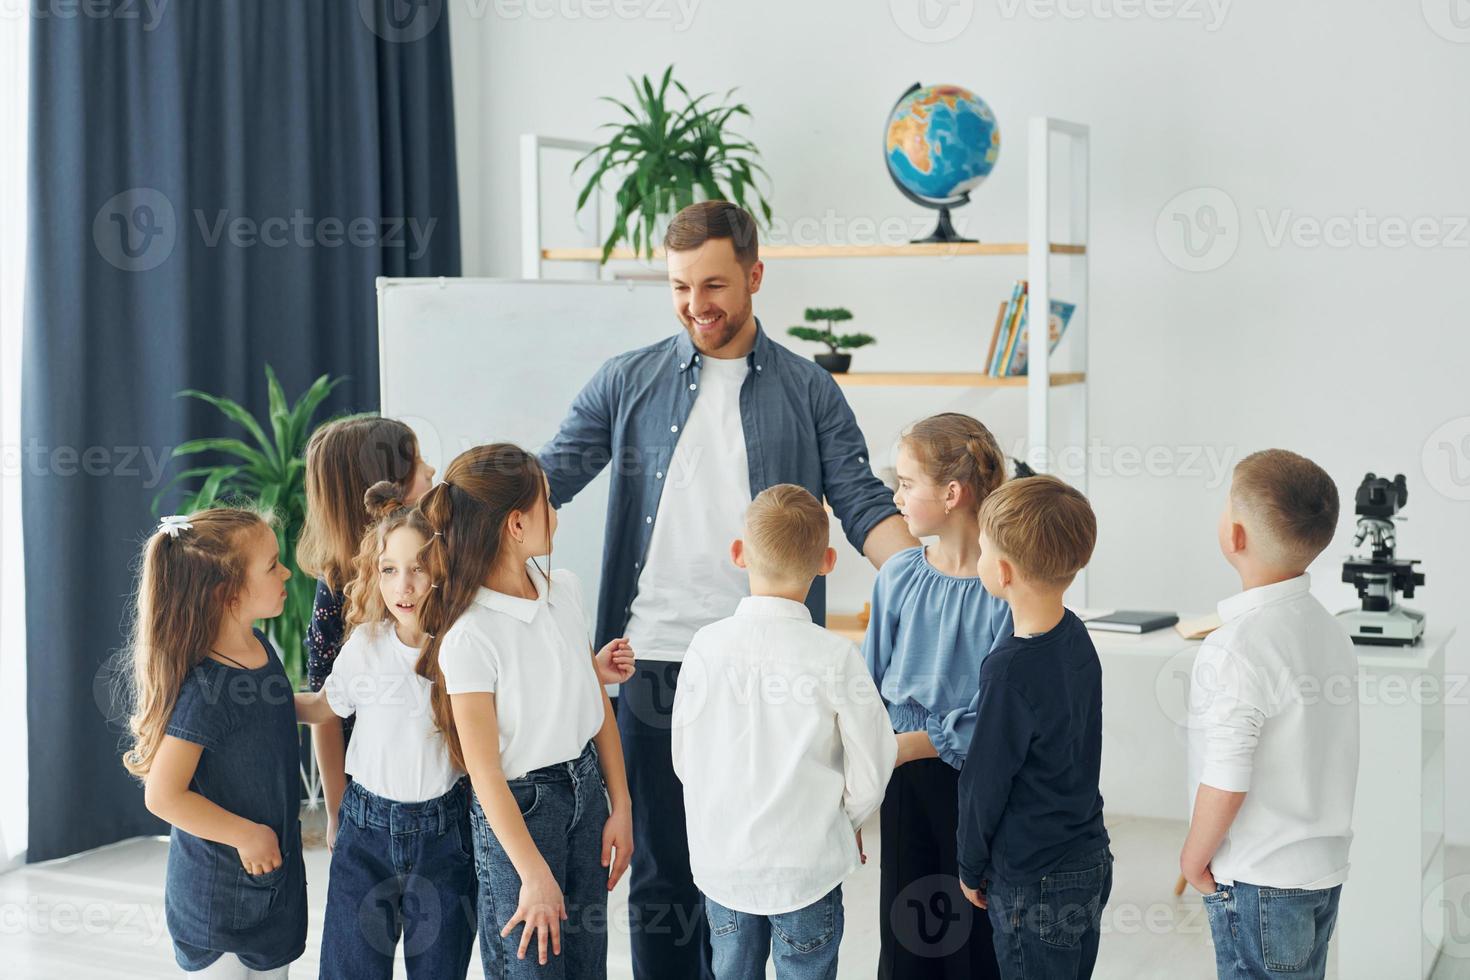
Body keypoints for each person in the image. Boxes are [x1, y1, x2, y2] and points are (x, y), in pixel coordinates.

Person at [539, 200, 915, 979]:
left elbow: (861, 500)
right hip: (651, 663)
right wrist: (442, 527)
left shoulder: (810, 390)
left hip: (770, 667)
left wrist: (926, 583)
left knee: (763, 875)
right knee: (665, 878)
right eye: (679, 287)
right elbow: (544, 480)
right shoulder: (627, 381)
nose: (695, 305)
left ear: (754, 275)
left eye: (712, 284)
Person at [414, 443, 636, 979]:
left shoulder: (566, 592)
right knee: (531, 968)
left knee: (587, 966)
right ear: (517, 524)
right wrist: (532, 872)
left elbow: (594, 705)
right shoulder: (469, 637)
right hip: (520, 816)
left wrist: (621, 804)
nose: (555, 514)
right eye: (548, 503)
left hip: (585, 792)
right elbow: (485, 773)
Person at [672, 484, 896, 980]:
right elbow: (874, 761)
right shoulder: (836, 657)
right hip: (808, 868)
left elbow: (685, 757)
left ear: (738, 553)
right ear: (828, 561)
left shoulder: (705, 647)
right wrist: (844, 819)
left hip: (725, 864)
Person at [1180, 449, 1358, 980]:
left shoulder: (1236, 646)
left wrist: (1194, 855)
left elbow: (1228, 774)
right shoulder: (1329, 629)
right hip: (1322, 871)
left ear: (1235, 536)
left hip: (1258, 880)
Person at [294, 481, 476, 979]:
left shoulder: (462, 647)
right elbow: (324, 706)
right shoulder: (365, 644)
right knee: (349, 969)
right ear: (375, 576)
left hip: (446, 838)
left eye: (419, 568)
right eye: (390, 570)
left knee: (439, 970)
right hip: (365, 833)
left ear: (441, 568)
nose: (405, 586)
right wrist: (258, 695)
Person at [861, 413, 1012, 978]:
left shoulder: (1006, 588)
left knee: (974, 928)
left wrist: (914, 743)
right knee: (909, 929)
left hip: (977, 783)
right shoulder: (898, 575)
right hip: (902, 776)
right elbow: (867, 685)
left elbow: (1001, 713)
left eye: (905, 483)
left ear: (951, 494)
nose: (895, 496)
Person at [124, 508, 305, 977]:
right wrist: (247, 835)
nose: (286, 572)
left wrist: (327, 703)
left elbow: (262, 711)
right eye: (271, 565)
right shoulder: (205, 690)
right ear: (227, 592)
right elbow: (163, 795)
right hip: (218, 897)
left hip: (271, 882)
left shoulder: (259, 647)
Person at [957, 475, 1112, 980]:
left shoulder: (1008, 669)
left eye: (981, 550)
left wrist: (969, 864)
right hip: (1088, 859)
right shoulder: (1076, 635)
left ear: (1002, 572)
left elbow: (985, 782)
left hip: (1032, 878)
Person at [297, 416, 435, 850]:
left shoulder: (441, 559)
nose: (431, 471)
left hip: (439, 783)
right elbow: (326, 706)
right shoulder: (337, 588)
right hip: (375, 793)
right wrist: (337, 811)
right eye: (416, 462)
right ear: (384, 485)